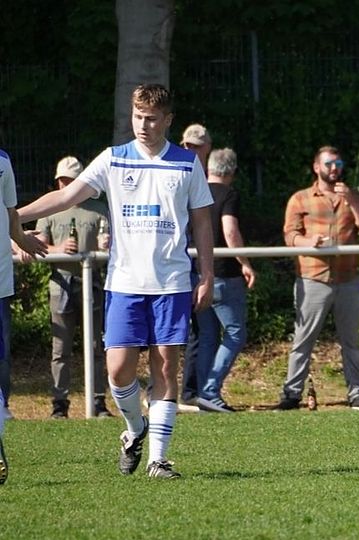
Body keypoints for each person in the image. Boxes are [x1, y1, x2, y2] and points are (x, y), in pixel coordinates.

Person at [18, 84, 215, 480]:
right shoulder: (114, 158)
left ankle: (158, 460)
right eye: (138, 116)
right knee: (119, 371)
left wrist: (207, 274)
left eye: (152, 118)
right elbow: (66, 197)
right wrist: (13, 216)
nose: (143, 124)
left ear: (167, 120)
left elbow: (202, 221)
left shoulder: (186, 164)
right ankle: (135, 429)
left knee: (165, 367)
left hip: (172, 282)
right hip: (125, 283)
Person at [277, 145, 359, 411]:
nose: (334, 168)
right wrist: (308, 242)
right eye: (329, 163)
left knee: (351, 342)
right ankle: (291, 395)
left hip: (349, 279)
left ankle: (357, 394)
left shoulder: (353, 195)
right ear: (316, 167)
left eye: (338, 164)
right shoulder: (300, 198)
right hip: (313, 278)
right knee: (303, 340)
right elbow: (290, 235)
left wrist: (353, 201)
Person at [35, 156, 112, 418]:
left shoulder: (98, 209)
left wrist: (106, 245)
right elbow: (37, 245)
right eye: (62, 180)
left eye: (71, 180)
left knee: (96, 346)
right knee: (60, 347)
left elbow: (112, 242)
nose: (66, 185)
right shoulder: (49, 209)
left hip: (93, 282)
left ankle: (99, 402)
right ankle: (60, 403)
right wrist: (57, 249)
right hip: (61, 283)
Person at [194, 148, 255, 413]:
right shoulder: (229, 195)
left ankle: (202, 392)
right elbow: (230, 231)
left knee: (208, 335)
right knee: (235, 333)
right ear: (232, 171)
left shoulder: (195, 192)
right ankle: (210, 390)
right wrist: (245, 263)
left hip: (197, 273)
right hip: (224, 275)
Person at [0, 148, 48, 484]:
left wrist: (21, 239)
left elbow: (10, 214)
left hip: (0, 285)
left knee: (1, 369)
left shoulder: (3, 162)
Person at [179, 123, 212, 408]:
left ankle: (190, 392)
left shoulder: (213, 181)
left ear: (207, 148)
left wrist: (206, 273)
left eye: (196, 146)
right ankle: (157, 392)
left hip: (195, 266)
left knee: (198, 331)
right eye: (187, 145)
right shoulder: (177, 172)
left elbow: (205, 227)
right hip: (177, 264)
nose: (190, 150)